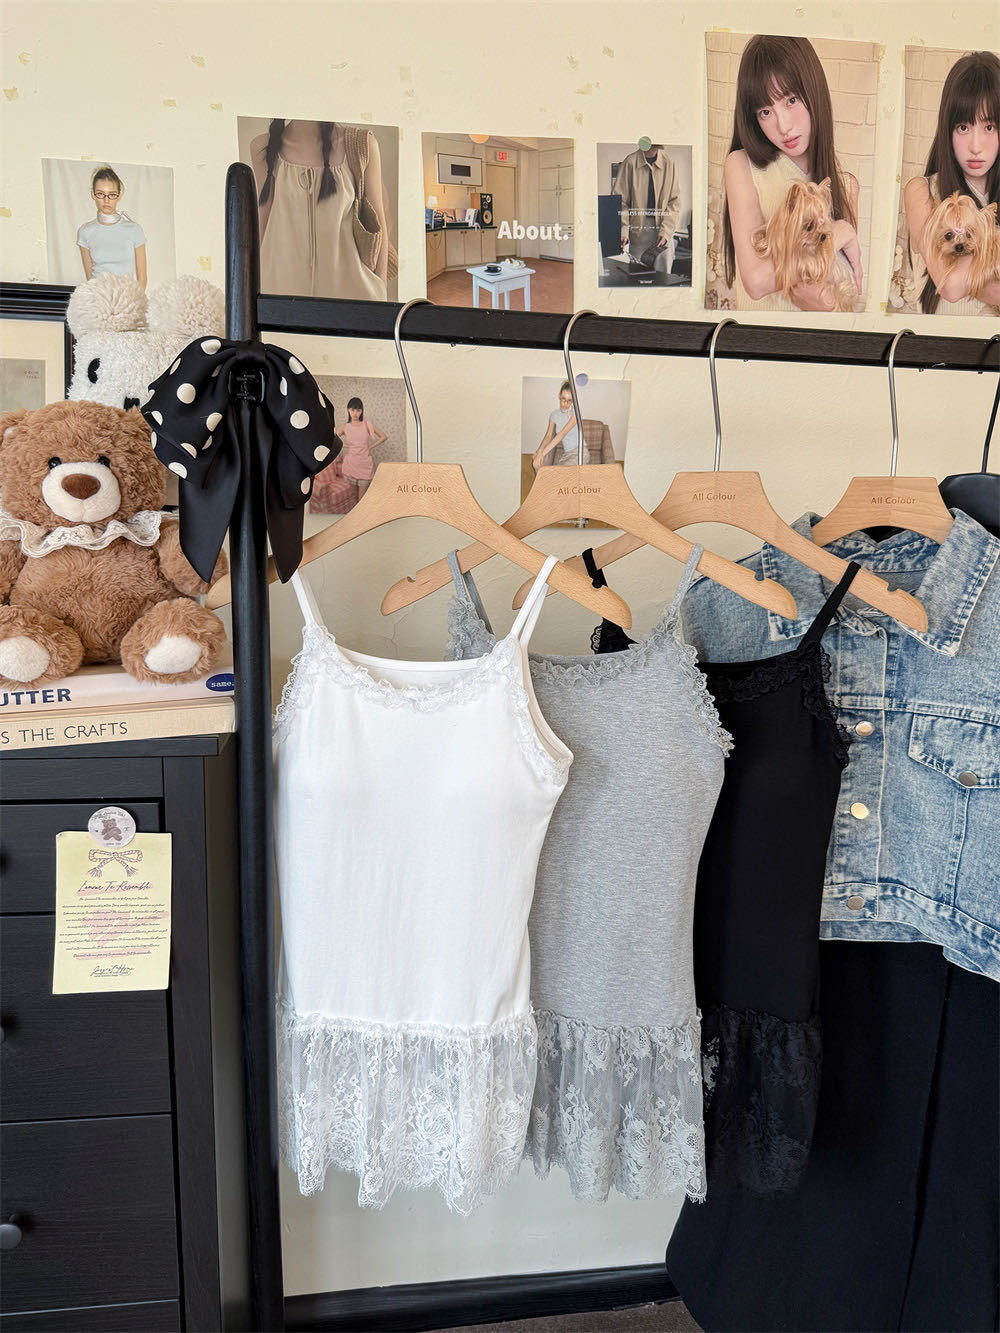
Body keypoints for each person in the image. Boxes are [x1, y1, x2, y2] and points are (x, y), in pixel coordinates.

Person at [720, 35, 863, 312]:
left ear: (814, 91)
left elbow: (844, 295)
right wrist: (840, 232)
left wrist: (826, 304)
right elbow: (757, 281)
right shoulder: (742, 166)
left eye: (791, 100)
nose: (783, 126)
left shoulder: (845, 186)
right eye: (765, 112)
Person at [902, 51, 1000, 314]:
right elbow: (952, 286)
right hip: (940, 339)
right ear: (948, 129)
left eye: (989, 127)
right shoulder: (922, 191)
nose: (976, 146)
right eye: (963, 127)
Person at [250, 119, 390, 300]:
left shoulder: (362, 144)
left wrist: (381, 291)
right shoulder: (263, 147)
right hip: (278, 289)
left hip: (351, 294)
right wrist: (250, 290)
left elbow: (379, 225)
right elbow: (262, 219)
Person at [611, 143, 682, 272]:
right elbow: (620, 201)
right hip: (638, 231)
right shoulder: (630, 162)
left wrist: (666, 232)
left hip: (663, 230)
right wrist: (623, 230)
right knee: (637, 276)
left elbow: (674, 202)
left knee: (663, 278)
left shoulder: (669, 163)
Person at [76, 166, 147, 288]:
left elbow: (142, 278)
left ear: (119, 196)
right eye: (100, 194)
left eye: (112, 194)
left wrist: (132, 298)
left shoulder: (134, 230)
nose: (106, 200)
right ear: (93, 195)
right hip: (97, 296)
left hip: (127, 296)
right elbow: (90, 279)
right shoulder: (85, 231)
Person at [336, 396, 386, 502]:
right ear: (348, 410)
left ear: (361, 411)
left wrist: (370, 446)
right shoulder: (345, 427)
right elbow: (331, 439)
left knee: (361, 500)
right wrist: (345, 446)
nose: (355, 413)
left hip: (364, 465)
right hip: (351, 464)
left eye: (358, 410)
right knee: (353, 497)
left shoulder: (367, 424)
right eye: (352, 410)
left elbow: (383, 436)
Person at [533, 382, 582, 469]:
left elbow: (562, 434)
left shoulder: (575, 413)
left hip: (579, 453)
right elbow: (548, 436)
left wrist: (542, 454)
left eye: (569, 400)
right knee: (537, 464)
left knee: (559, 474)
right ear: (559, 396)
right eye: (563, 399)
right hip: (566, 455)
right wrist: (539, 451)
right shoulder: (554, 415)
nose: (565, 403)